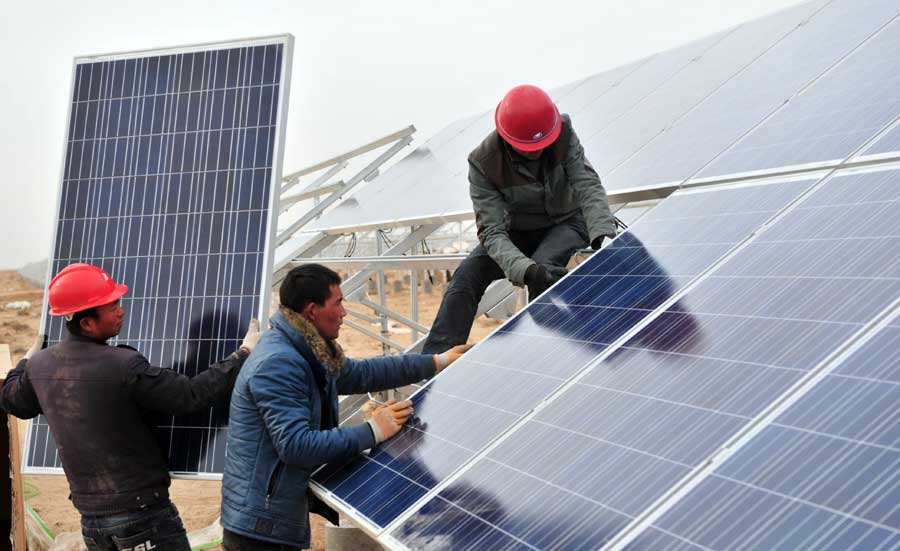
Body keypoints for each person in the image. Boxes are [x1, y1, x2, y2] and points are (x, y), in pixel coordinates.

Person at [0, 263, 261, 551]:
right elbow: (190, 395)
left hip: (92, 522)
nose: (121, 310)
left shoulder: (41, 366)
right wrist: (243, 353)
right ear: (86, 323)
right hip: (142, 517)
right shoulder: (123, 365)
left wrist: (25, 363)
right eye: (112, 306)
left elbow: (12, 401)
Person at [220, 263, 470, 550]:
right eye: (337, 304)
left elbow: (363, 373)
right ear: (312, 310)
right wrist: (375, 429)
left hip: (266, 516)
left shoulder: (306, 349)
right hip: (258, 528)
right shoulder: (279, 363)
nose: (344, 313)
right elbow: (296, 445)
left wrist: (437, 362)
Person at [421, 84, 618, 354]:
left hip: (567, 222)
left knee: (546, 267)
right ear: (507, 139)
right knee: (465, 279)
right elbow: (492, 232)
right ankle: (433, 364)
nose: (536, 151)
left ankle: (559, 355)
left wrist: (603, 233)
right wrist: (525, 270)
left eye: (542, 145)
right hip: (518, 232)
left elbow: (587, 184)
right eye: (528, 148)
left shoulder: (563, 133)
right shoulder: (484, 162)